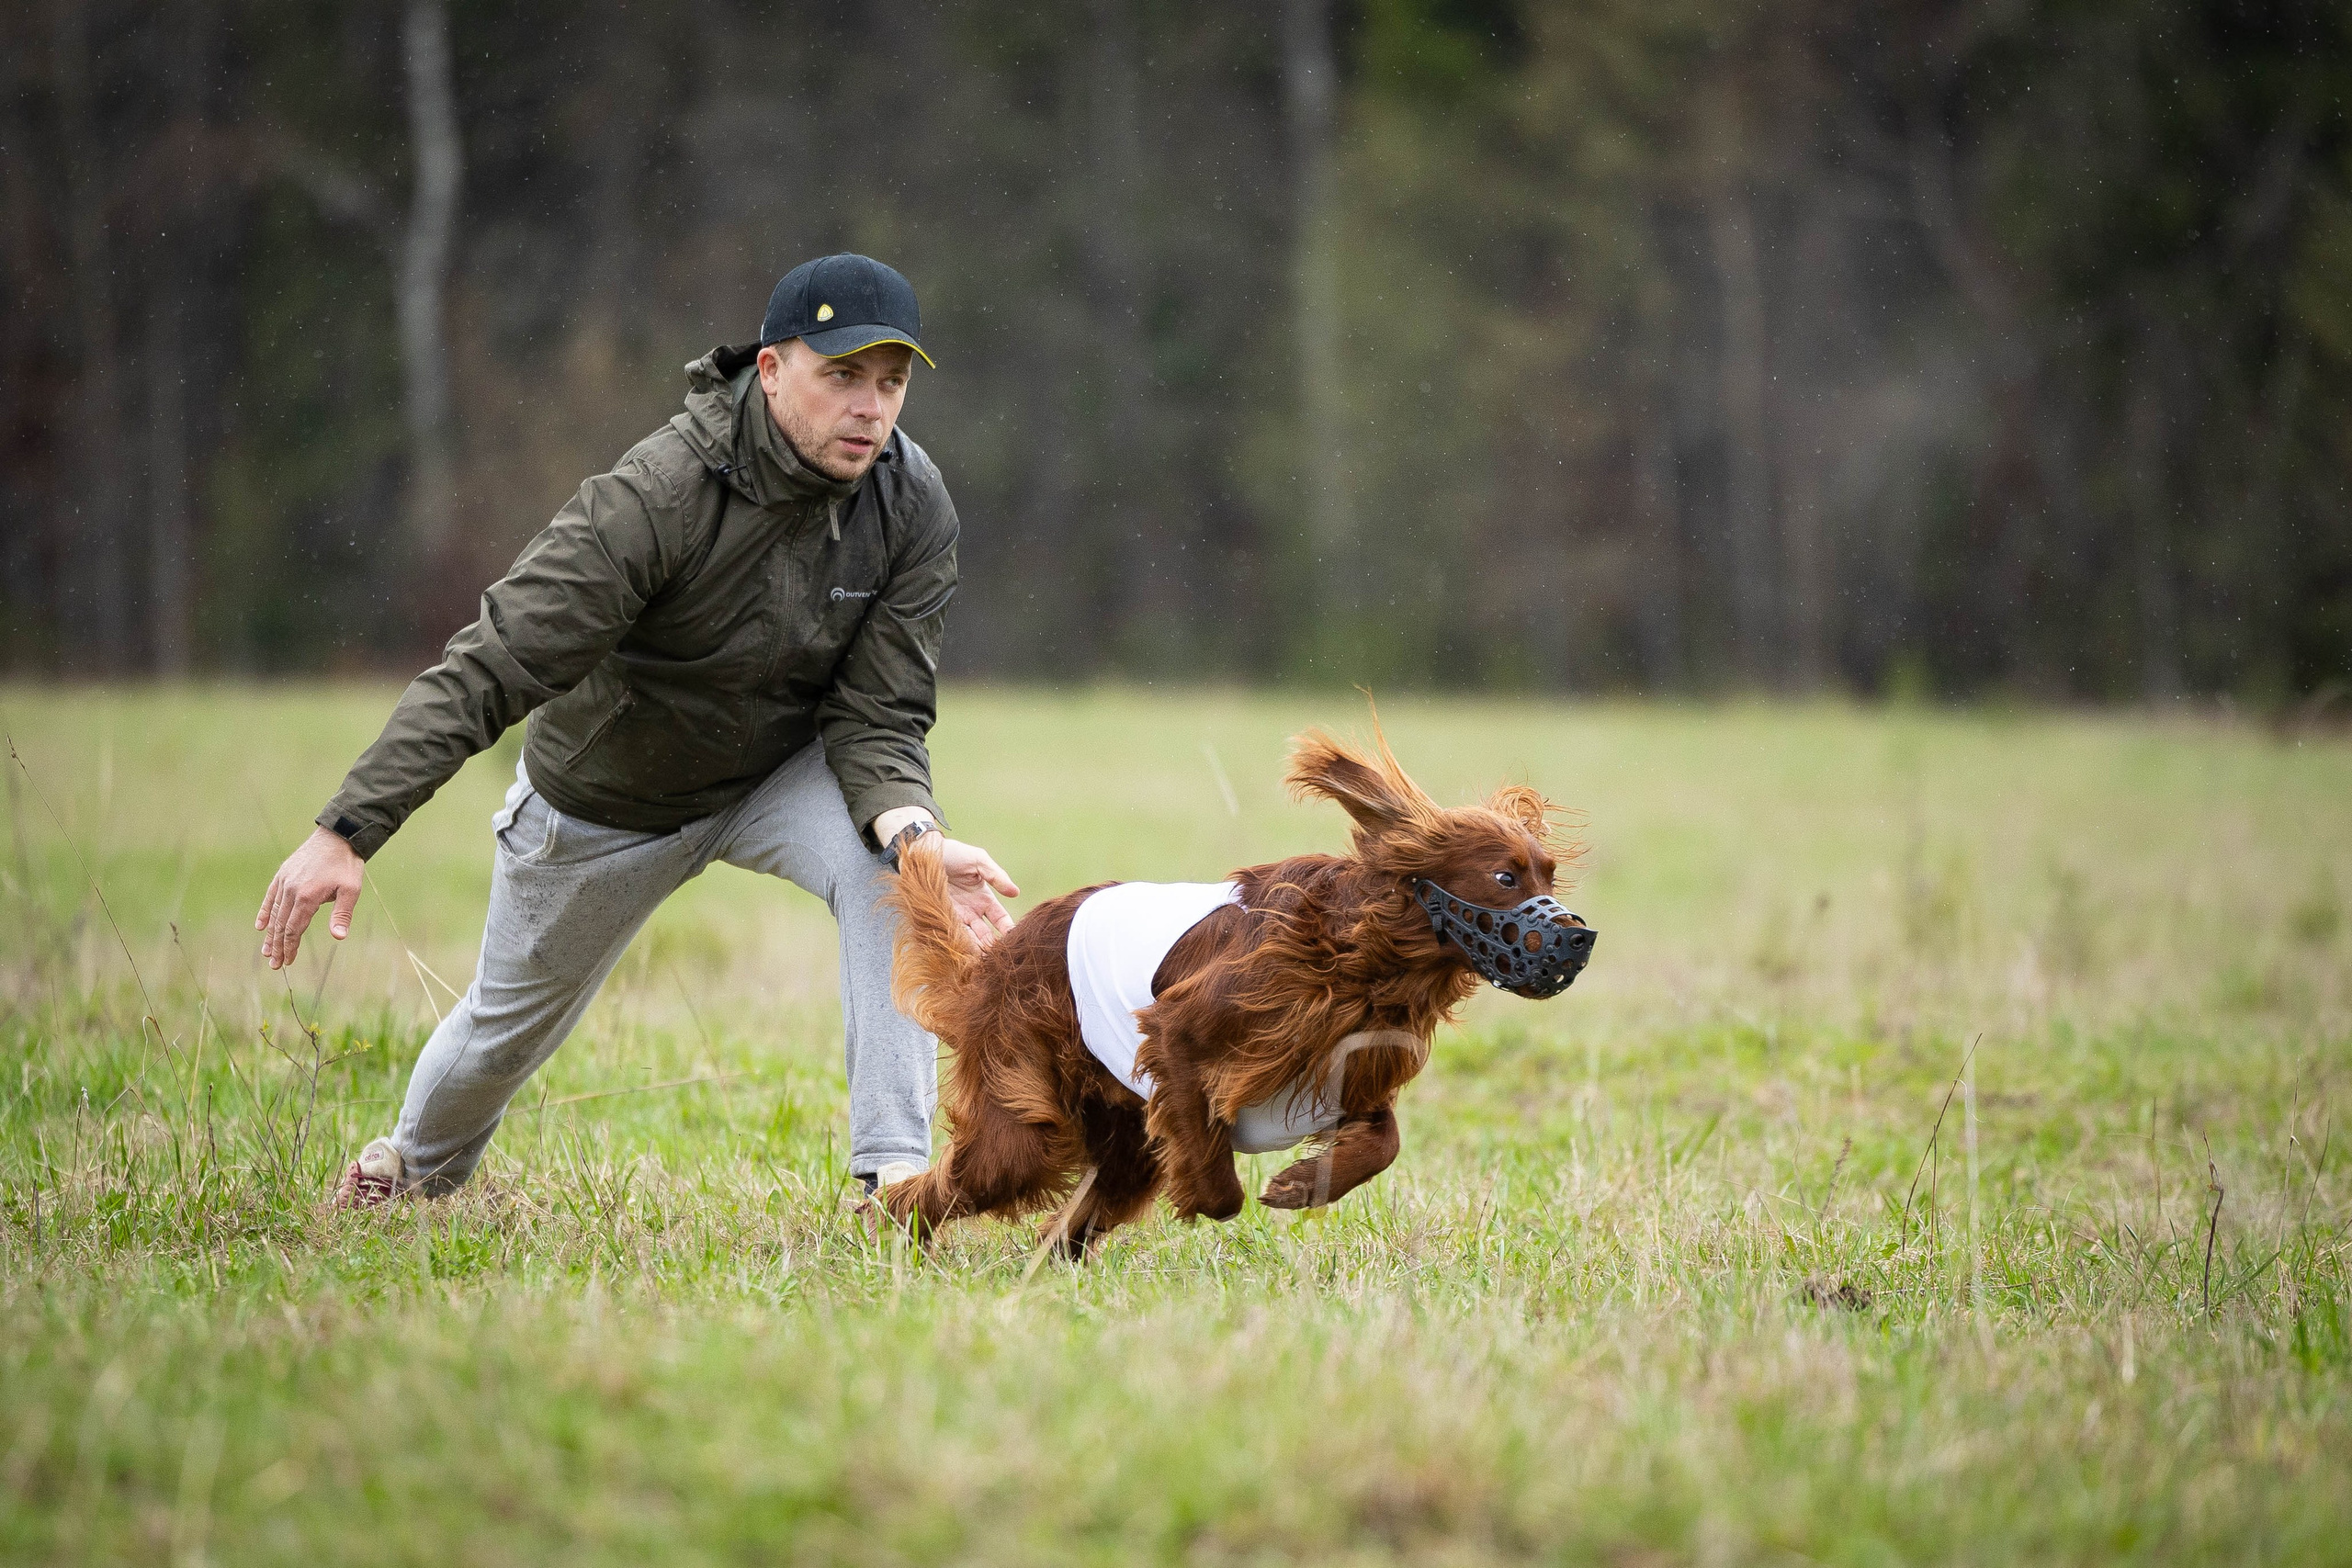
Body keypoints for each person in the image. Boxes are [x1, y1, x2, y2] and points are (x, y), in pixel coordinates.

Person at [252, 254, 1017, 1206]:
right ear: (772, 370)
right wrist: (346, 830)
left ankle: (895, 1183)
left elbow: (879, 714)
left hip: (779, 776)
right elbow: (496, 661)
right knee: (506, 1027)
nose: (870, 408)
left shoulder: (910, 503)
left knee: (891, 869)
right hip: (610, 798)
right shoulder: (658, 493)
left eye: (890, 383)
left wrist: (916, 834)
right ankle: (407, 1170)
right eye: (842, 376)